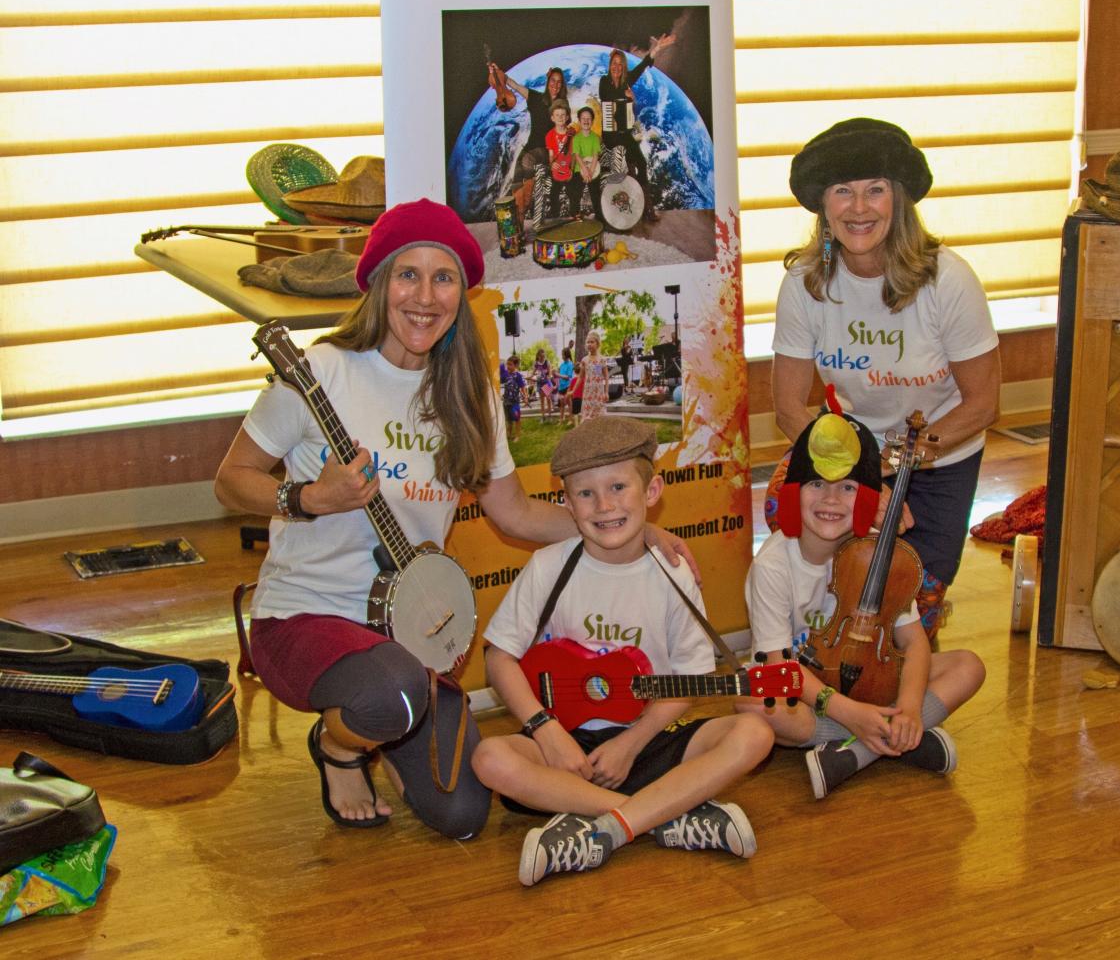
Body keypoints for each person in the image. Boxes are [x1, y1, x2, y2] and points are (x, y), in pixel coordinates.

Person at [213, 198, 698, 838]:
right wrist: (305, 498)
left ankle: (373, 723)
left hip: (406, 630)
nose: (425, 295)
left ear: (461, 295)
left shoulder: (469, 398)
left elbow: (517, 513)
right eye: (407, 274)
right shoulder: (321, 373)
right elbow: (229, 482)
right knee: (391, 693)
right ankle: (339, 747)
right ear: (380, 283)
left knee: (462, 812)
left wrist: (636, 529)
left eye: (442, 278)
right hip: (306, 613)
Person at [472, 416, 775, 885]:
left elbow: (688, 680)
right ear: (567, 504)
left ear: (651, 493)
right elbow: (499, 656)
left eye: (618, 487)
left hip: (647, 736)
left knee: (755, 734)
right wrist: (545, 730)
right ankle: (663, 815)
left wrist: (630, 745)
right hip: (565, 744)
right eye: (586, 494)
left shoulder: (673, 575)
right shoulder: (549, 565)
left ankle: (602, 826)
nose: (604, 505)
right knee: (490, 758)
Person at [772, 117, 1001, 638]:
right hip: (847, 461)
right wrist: (859, 483)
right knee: (838, 595)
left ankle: (909, 701)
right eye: (842, 192)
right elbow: (788, 409)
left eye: (875, 190)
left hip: (941, 459)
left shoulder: (949, 280)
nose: (858, 208)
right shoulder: (803, 283)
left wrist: (896, 472)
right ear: (823, 206)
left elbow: (983, 403)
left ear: (899, 199)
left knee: (914, 603)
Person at [736, 402, 985, 800]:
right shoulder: (773, 565)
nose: (831, 500)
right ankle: (895, 742)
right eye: (817, 484)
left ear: (868, 498)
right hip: (810, 692)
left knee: (968, 666)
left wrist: (907, 706)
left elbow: (914, 642)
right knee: (753, 702)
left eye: (848, 488)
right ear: (794, 493)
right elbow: (780, 666)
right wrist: (852, 713)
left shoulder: (880, 555)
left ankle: (859, 751)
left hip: (874, 678)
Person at [598, 33, 675, 221]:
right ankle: (618, 212)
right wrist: (627, 98)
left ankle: (647, 208)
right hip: (610, 136)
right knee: (622, 171)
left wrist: (656, 48)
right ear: (610, 67)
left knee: (641, 163)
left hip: (624, 135)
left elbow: (643, 65)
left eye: (619, 64)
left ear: (623, 67)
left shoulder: (627, 81)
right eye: (613, 64)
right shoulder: (604, 82)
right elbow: (608, 99)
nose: (616, 67)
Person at [490, 63, 567, 184]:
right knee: (517, 181)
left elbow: (563, 132)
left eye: (559, 82)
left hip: (548, 152)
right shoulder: (535, 98)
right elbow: (514, 85)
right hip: (530, 148)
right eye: (553, 80)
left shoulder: (562, 104)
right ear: (548, 81)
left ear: (562, 85)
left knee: (527, 167)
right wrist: (497, 72)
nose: (555, 85)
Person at [567, 105, 604, 220]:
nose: (586, 121)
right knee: (576, 191)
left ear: (592, 121)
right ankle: (575, 214)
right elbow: (577, 156)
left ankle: (600, 216)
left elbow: (595, 155)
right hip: (580, 169)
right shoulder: (576, 138)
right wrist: (584, 170)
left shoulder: (595, 138)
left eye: (589, 119)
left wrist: (591, 172)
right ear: (579, 120)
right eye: (583, 119)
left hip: (593, 169)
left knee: (596, 193)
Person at [544, 99, 574, 220]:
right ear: (552, 118)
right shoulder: (550, 135)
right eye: (557, 115)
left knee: (572, 192)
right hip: (557, 168)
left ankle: (573, 216)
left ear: (567, 117)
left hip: (569, 167)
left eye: (563, 115)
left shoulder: (572, 133)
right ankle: (555, 218)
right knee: (553, 193)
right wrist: (552, 164)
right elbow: (551, 154)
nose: (560, 118)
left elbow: (574, 153)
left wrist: (572, 168)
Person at [578, 330, 610, 422]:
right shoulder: (584, 360)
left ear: (597, 343)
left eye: (592, 342)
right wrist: (572, 391)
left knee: (599, 418)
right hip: (588, 393)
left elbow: (606, 376)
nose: (589, 344)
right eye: (588, 342)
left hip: (598, 393)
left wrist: (606, 392)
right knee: (587, 418)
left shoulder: (601, 359)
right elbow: (580, 377)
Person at [502, 354, 525, 442]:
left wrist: (526, 397)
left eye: (510, 364)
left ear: (515, 365)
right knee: (508, 419)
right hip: (506, 401)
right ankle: (509, 434)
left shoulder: (518, 375)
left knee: (517, 419)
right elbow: (499, 380)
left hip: (515, 402)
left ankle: (517, 436)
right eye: (507, 364)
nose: (508, 366)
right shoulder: (505, 375)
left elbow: (522, 387)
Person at [533, 347, 554, 422]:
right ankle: (543, 416)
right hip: (539, 383)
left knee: (548, 399)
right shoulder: (536, 363)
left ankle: (549, 415)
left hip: (546, 382)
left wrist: (548, 377)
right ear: (538, 356)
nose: (542, 358)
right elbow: (533, 373)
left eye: (543, 356)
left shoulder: (547, 362)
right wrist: (531, 377)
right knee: (542, 400)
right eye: (541, 356)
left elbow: (550, 372)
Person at [557, 345, 574, 423]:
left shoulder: (570, 364)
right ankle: (561, 419)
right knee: (561, 403)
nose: (562, 356)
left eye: (563, 354)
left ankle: (570, 419)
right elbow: (559, 375)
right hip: (561, 387)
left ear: (566, 355)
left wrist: (558, 375)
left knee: (569, 403)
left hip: (568, 386)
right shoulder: (562, 365)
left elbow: (568, 377)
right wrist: (555, 373)